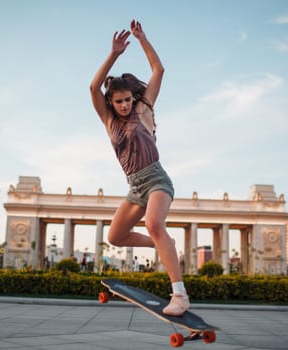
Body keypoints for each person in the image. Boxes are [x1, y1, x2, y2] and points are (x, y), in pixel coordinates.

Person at [90, 20, 189, 316]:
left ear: (134, 98)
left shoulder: (144, 110)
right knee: (115, 237)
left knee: (154, 223)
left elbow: (158, 71)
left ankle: (180, 295)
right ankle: (163, 244)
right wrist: (114, 54)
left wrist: (142, 39)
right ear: (111, 102)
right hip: (135, 188)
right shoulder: (109, 121)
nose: (124, 105)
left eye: (127, 100)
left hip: (157, 180)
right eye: (118, 101)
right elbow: (94, 86)